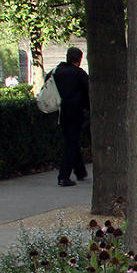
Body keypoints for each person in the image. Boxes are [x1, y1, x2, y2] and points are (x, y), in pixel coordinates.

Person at [52, 46, 90, 187]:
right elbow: (88, 93)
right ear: (79, 59)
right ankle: (64, 176)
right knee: (71, 142)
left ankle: (80, 171)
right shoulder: (79, 74)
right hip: (75, 112)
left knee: (71, 140)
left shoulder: (56, 72)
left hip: (60, 112)